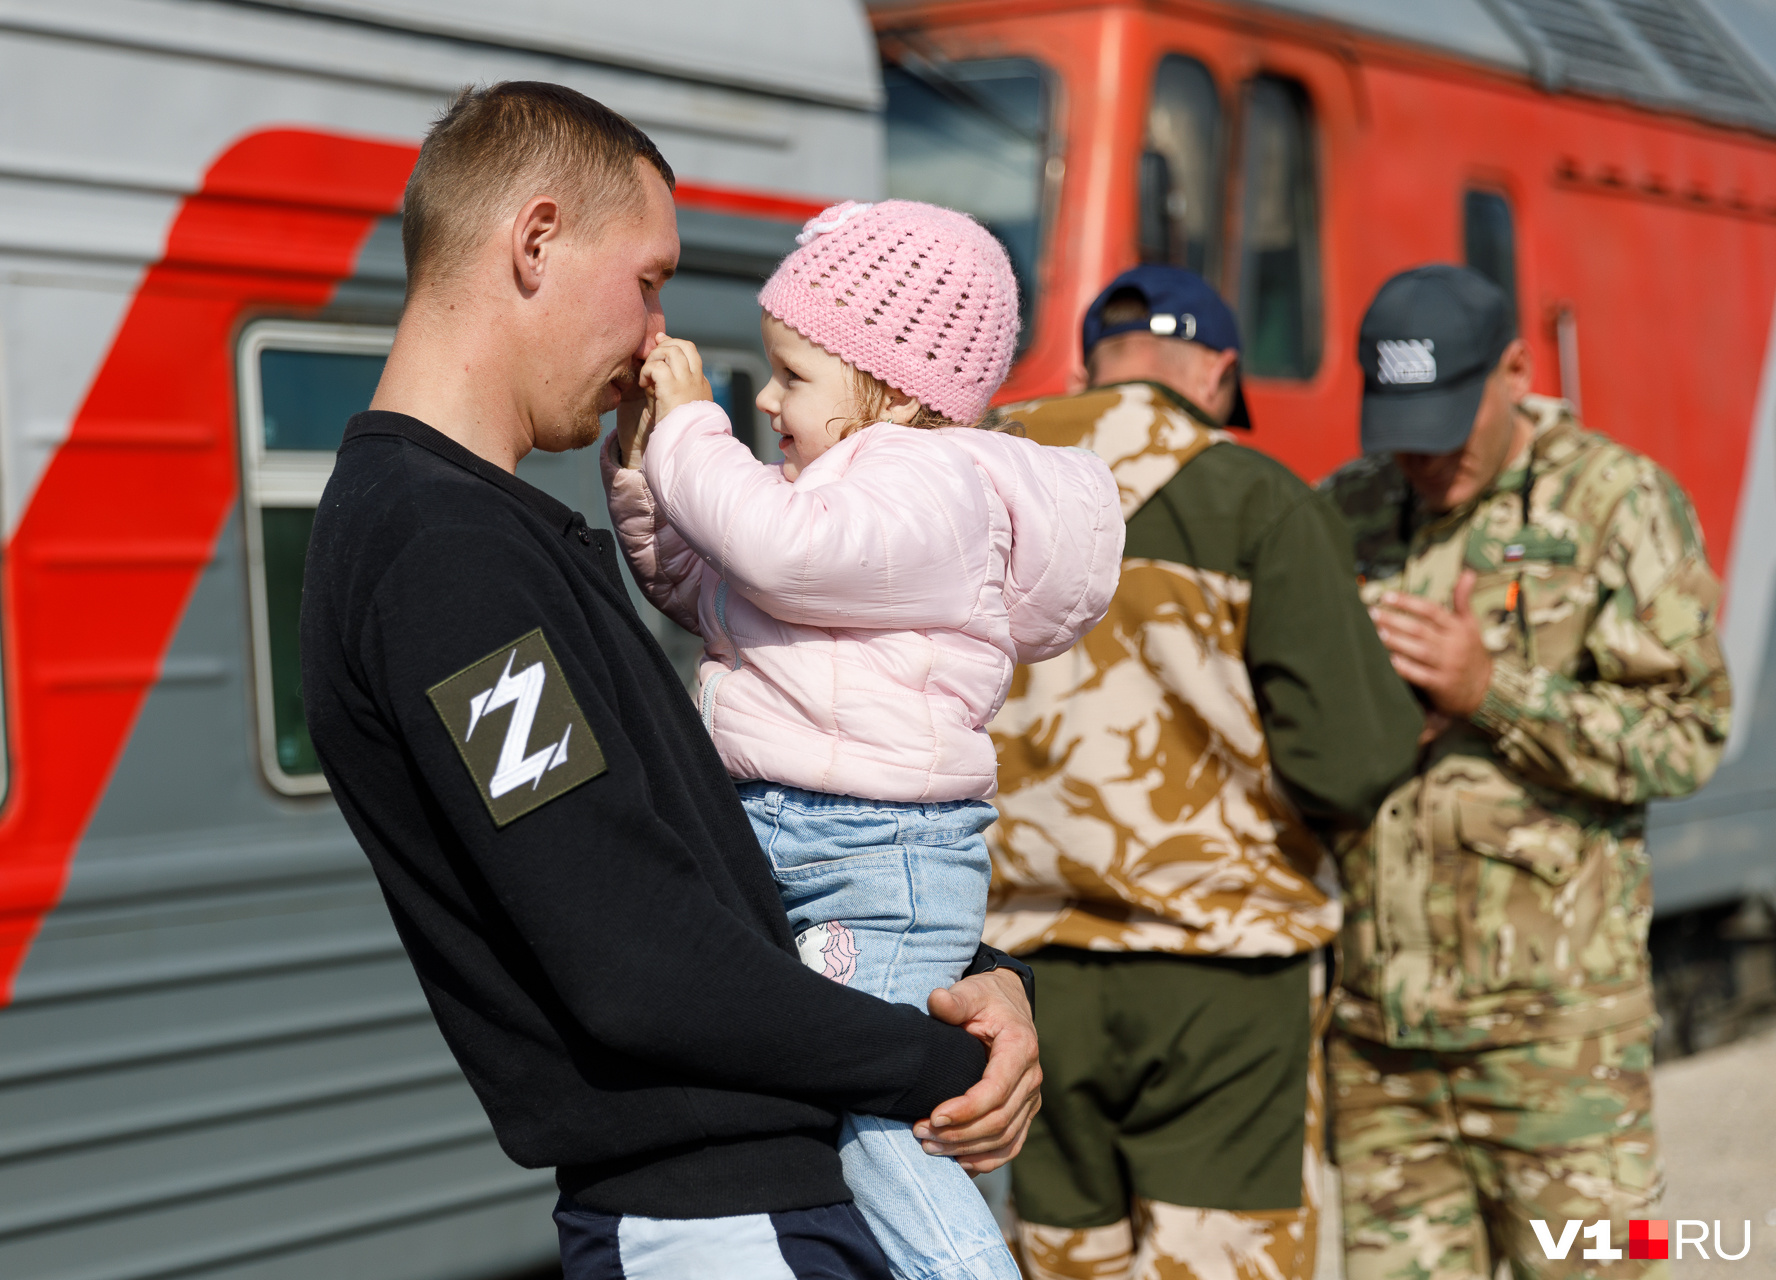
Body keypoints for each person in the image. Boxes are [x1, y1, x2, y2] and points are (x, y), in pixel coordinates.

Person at [298, 82, 1042, 1280]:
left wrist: (973, 979)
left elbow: (723, 871)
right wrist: (945, 1063)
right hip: (716, 1219)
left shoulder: (471, 529)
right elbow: (637, 958)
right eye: (649, 279)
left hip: (753, 1199)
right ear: (535, 241)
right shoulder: (444, 558)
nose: (657, 333)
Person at [601, 198, 1123, 1280]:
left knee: (877, 1116)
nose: (772, 402)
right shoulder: (836, 496)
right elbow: (704, 586)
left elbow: (776, 553)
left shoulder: (933, 488)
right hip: (810, 841)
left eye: (792, 375)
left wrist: (697, 425)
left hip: (871, 859)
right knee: (834, 1098)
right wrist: (647, 467)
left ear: (888, 383)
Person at [983, 264, 1424, 1280]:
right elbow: (1346, 762)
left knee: (1061, 1262)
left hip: (1021, 980)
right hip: (1221, 989)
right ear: (1219, 372)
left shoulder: (975, 479)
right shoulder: (1257, 496)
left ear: (1096, 361)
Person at [1318, 264, 1732, 1280]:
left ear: (1515, 369)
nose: (1423, 454)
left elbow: (1690, 733)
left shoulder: (1616, 499)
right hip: (1384, 1052)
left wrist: (1490, 689)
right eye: (1401, 425)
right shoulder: (1345, 506)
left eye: (1450, 420)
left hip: (1564, 1051)